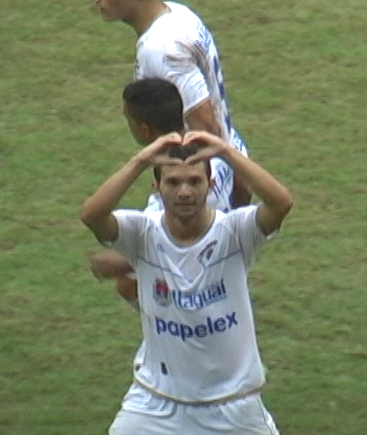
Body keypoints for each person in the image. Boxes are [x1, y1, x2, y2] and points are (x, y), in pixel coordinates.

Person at [80, 130, 293, 434]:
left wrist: (226, 152)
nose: (184, 192)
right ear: (157, 187)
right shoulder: (141, 233)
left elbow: (281, 203)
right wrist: (141, 160)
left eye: (195, 181)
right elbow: (92, 215)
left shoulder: (234, 232)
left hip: (233, 407)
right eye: (173, 182)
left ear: (211, 184)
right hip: (156, 403)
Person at [90, 0, 251, 206]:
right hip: (224, 162)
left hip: (199, 187)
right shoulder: (178, 13)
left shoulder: (162, 49)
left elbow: (205, 124)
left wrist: (239, 192)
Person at [97, 77, 235, 305]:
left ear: (143, 129)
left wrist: (116, 262)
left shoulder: (167, 201)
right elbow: (242, 186)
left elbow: (154, 244)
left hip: (197, 283)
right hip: (223, 258)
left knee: (126, 283)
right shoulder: (216, 149)